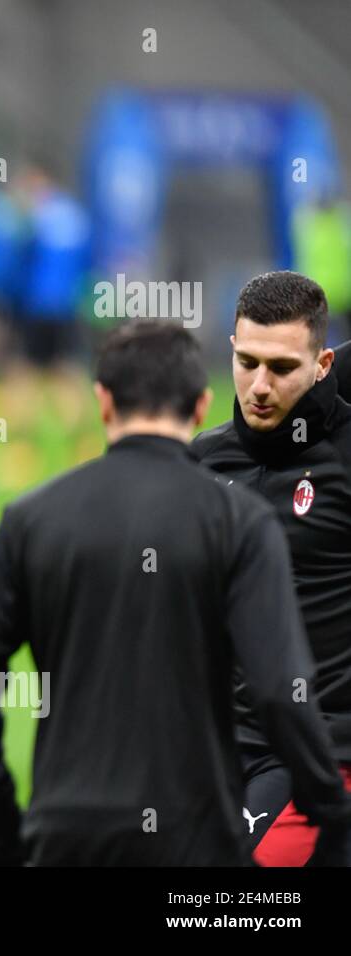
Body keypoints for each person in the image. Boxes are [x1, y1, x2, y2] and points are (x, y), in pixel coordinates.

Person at [0, 320, 351, 865]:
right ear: (203, 403)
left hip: (60, 827)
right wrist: (330, 811)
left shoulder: (31, 518)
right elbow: (280, 691)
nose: (261, 385)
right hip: (192, 826)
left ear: (102, 401)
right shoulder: (238, 521)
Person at [193, 271, 351, 866]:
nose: (259, 386)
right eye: (247, 361)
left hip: (326, 748)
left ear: (323, 363)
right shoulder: (206, 461)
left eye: (282, 368)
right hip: (222, 744)